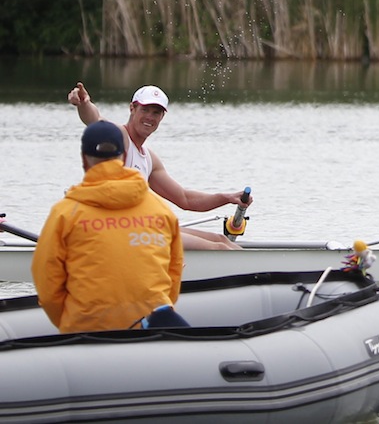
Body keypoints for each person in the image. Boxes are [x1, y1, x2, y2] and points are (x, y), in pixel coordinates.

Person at [31, 121, 185, 332]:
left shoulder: (65, 213)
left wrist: (70, 321)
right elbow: (175, 272)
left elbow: (47, 283)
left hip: (87, 331)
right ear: (123, 158)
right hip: (152, 331)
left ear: (84, 160)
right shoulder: (161, 209)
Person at [67, 82, 250, 250]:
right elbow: (95, 119)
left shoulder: (149, 159)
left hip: (138, 228)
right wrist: (84, 103)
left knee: (221, 240)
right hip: (116, 230)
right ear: (132, 108)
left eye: (156, 113)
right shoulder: (119, 137)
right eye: (145, 110)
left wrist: (226, 197)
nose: (150, 117)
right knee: (219, 249)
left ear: (162, 117)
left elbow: (185, 199)